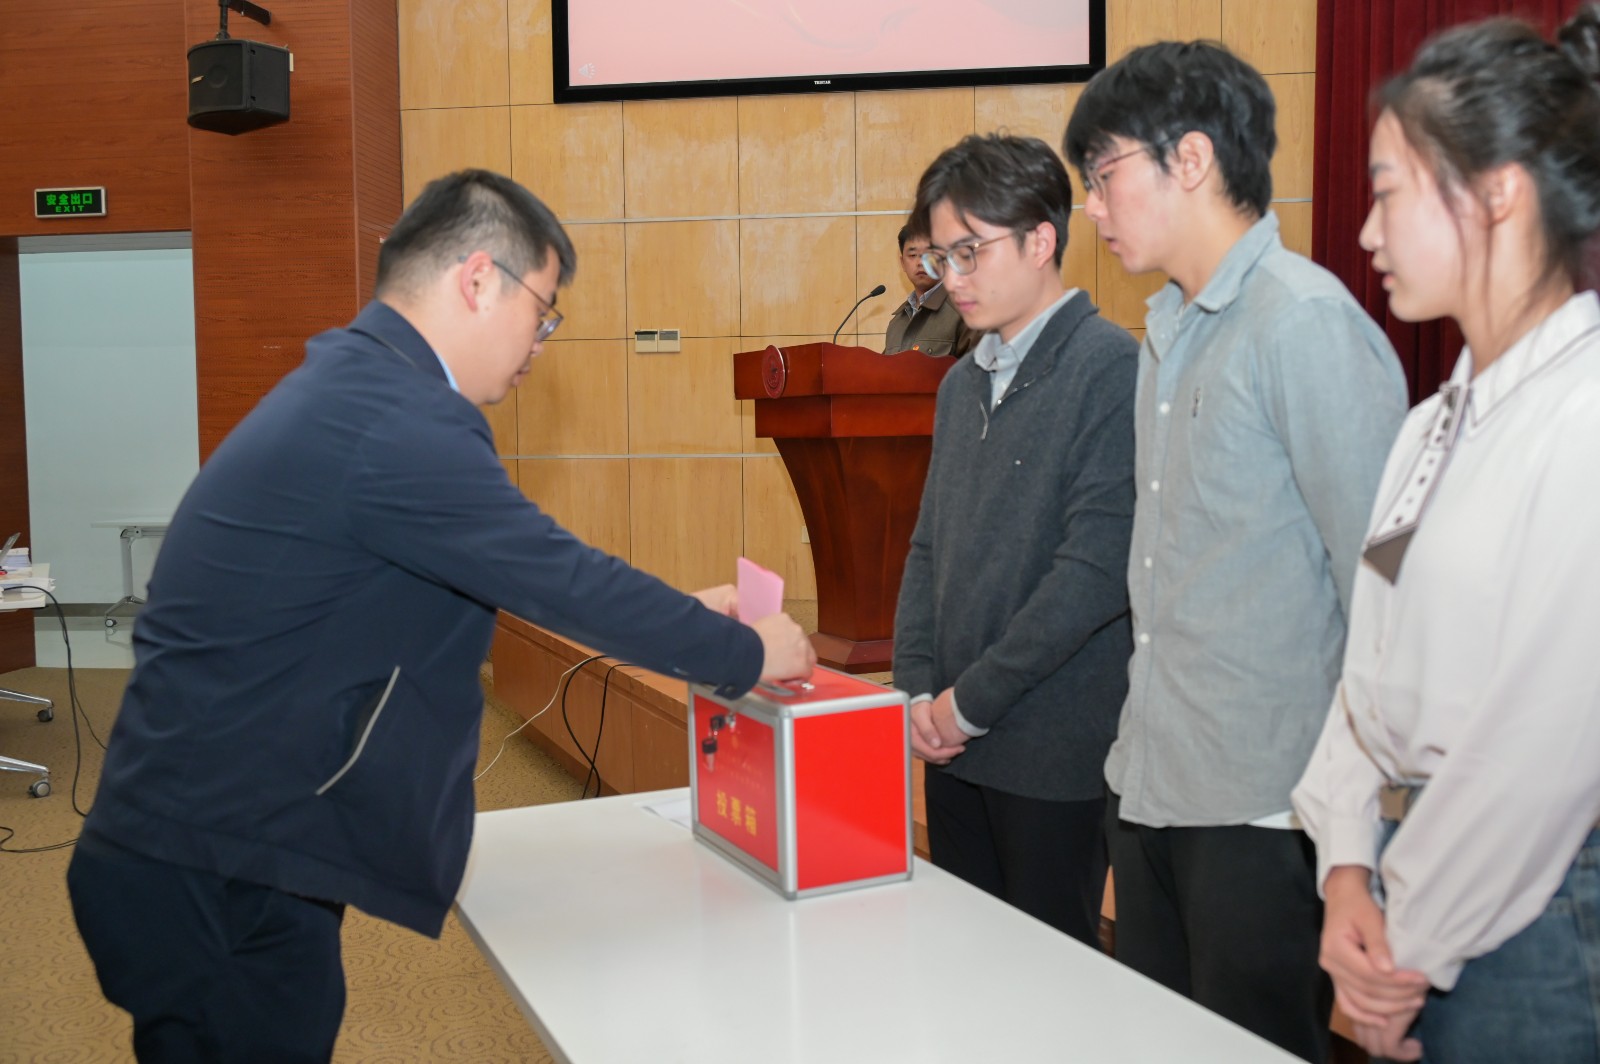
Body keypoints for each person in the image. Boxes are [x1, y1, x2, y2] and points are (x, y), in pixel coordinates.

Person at [66, 169, 816, 1063]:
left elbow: (481, 574)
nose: (540, 343)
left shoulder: (361, 386)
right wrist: (742, 650)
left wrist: (680, 612)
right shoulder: (396, 416)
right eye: (543, 311)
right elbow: (556, 576)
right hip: (217, 866)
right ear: (478, 279)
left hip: (203, 842)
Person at [1062, 41, 1408, 1061]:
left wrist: (1367, 825)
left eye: (1104, 173)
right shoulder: (1167, 334)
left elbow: (1384, 584)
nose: (1093, 206)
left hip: (1268, 807)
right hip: (1154, 778)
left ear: (1192, 159)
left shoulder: (1303, 323)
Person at [1292, 9, 1600, 1062]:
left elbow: (1542, 745)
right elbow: (1366, 671)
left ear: (1497, 192)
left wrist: (1405, 947)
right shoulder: (1435, 422)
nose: (1367, 234)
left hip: (1533, 914)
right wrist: (1345, 867)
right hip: (1410, 887)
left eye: (1387, 192)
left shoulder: (1582, 416)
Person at [892, 133, 1136, 947]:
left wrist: (970, 703)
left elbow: (1093, 574)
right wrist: (916, 690)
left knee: (1049, 980)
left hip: (1050, 750)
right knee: (966, 968)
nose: (951, 279)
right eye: (941, 258)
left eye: (970, 252)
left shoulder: (1110, 367)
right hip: (952, 743)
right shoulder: (960, 385)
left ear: (1040, 240)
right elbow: (927, 549)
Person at [882, 221, 978, 356]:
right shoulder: (896, 323)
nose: (920, 262)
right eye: (912, 255)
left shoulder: (963, 310)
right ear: (903, 263)